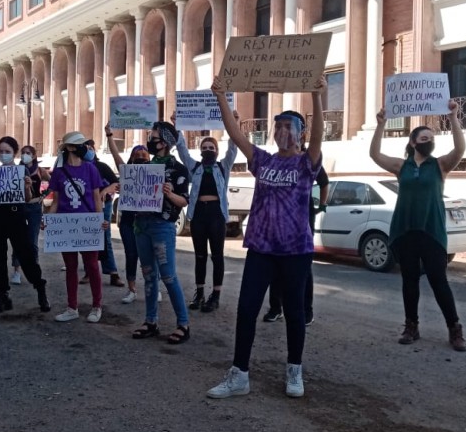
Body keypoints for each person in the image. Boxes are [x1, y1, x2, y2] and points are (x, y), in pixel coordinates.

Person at [207, 76, 325, 399]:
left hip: (294, 251)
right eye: (279, 127)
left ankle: (294, 371)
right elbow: (235, 134)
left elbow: (318, 137)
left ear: (299, 135)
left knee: (295, 312)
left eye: (289, 127)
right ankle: (239, 374)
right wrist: (221, 98)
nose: (283, 133)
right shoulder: (263, 160)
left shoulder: (306, 163)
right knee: (246, 309)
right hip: (261, 248)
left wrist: (316, 96)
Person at [369, 100, 466, 351]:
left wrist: (454, 117)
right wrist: (380, 125)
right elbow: (375, 155)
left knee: (438, 280)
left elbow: (460, 148)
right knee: (409, 280)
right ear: (413, 142)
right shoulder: (402, 166)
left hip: (431, 231)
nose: (428, 141)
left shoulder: (440, 165)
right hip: (406, 231)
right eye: (424, 138)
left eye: (431, 138)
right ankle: (411, 325)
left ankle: (454, 328)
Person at [130, 121, 191, 344]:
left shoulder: (179, 169)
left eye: (153, 137)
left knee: (168, 276)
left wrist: (168, 194)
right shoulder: (144, 166)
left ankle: (183, 324)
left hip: (162, 226)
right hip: (141, 226)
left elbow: (184, 200)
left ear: (164, 142)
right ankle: (150, 321)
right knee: (148, 275)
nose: (149, 140)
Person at [173, 112, 238, 313]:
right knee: (200, 255)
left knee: (217, 256)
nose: (208, 150)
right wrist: (177, 126)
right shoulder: (195, 167)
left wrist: (233, 123)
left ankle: (215, 295)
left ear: (216, 151)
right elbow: (182, 151)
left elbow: (233, 148)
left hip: (217, 215)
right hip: (199, 213)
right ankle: (199, 293)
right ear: (200, 151)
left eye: (211, 148)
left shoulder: (223, 166)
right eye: (204, 148)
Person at [0, 136, 50, 315]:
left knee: (26, 255)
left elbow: (27, 198)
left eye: (7, 151)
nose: (4, 154)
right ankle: (3, 296)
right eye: (1, 151)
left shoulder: (21, 171)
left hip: (16, 217)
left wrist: (26, 187)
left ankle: (40, 289)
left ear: (14, 153)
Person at [48, 132, 110, 323]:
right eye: (81, 144)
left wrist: (101, 220)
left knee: (92, 266)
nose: (86, 147)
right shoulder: (59, 172)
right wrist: (48, 220)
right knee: (71, 267)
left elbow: (96, 197)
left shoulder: (91, 169)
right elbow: (56, 201)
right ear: (71, 148)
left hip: (88, 226)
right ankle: (72, 307)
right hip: (67, 227)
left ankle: (96, 306)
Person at [263, 154, 328, 325]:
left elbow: (324, 182)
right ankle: (276, 308)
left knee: (304, 267)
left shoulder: (309, 161)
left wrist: (322, 204)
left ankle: (307, 310)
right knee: (275, 263)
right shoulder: (277, 161)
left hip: (303, 219)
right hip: (279, 220)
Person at [105, 127, 150, 304]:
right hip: (128, 221)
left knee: (148, 256)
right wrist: (109, 136)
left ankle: (151, 286)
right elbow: (116, 155)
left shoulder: (156, 172)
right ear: (131, 158)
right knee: (131, 254)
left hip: (148, 220)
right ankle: (132, 289)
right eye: (137, 155)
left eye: (143, 155)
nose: (140, 157)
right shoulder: (126, 172)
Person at [83, 138, 122, 287]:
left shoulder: (102, 166)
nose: (89, 151)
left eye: (91, 148)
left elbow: (115, 183)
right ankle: (89, 271)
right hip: (86, 208)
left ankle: (112, 272)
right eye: (86, 148)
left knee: (105, 238)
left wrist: (105, 190)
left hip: (104, 205)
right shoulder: (79, 168)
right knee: (86, 239)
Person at [11, 145, 49, 285]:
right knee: (18, 239)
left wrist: (43, 196)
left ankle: (34, 269)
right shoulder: (16, 170)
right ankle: (16, 271)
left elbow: (53, 183)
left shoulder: (40, 171)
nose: (24, 155)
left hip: (34, 207)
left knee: (32, 240)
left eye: (28, 153)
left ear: (33, 156)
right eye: (23, 153)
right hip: (19, 207)